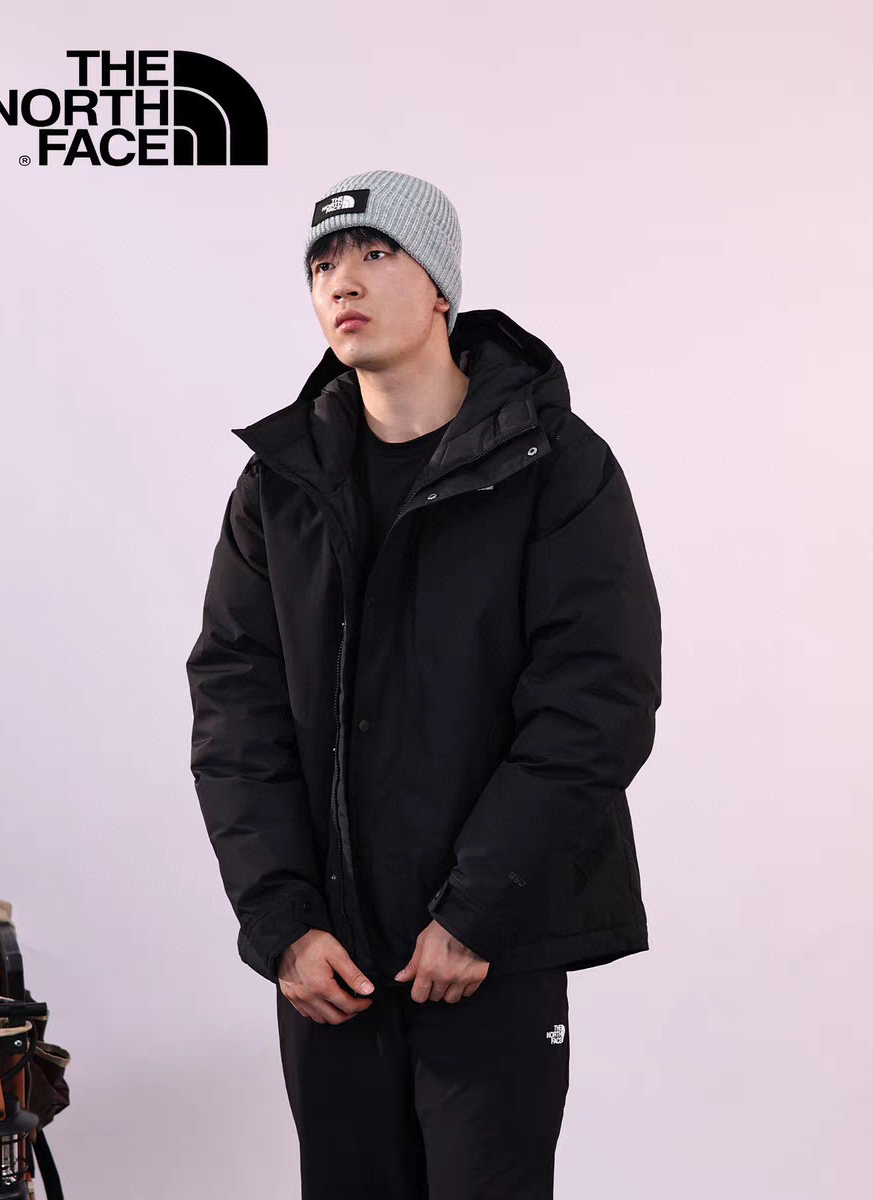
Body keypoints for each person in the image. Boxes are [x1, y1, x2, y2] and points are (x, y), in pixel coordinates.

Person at [185, 168, 662, 1199]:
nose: (342, 282)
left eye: (374, 253)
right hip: (332, 966)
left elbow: (596, 703)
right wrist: (283, 925)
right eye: (322, 264)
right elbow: (235, 714)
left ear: (440, 285)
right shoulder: (278, 488)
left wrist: (478, 911)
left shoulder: (555, 465)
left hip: (493, 951)